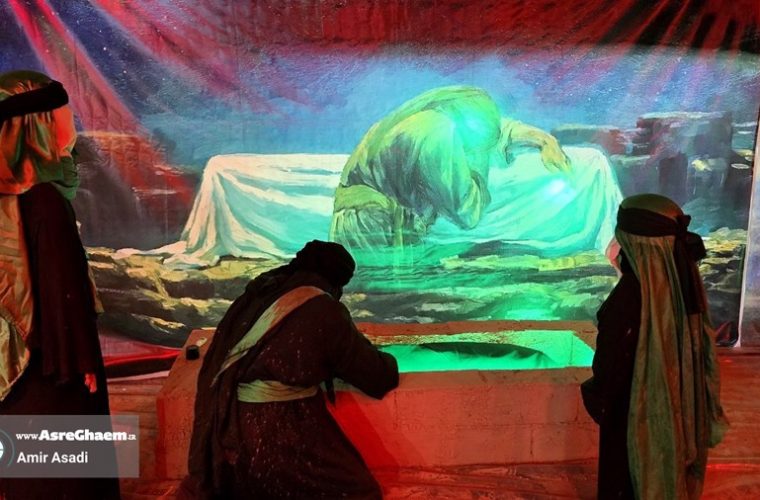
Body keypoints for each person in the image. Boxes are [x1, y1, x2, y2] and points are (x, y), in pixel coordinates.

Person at [180, 240, 399, 499]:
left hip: (231, 424)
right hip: (280, 428)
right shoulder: (323, 309)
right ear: (335, 279)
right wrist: (389, 361)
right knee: (360, 491)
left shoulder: (260, 291)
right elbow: (373, 374)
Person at [0, 71, 120, 499]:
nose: (71, 121)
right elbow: (61, 283)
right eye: (62, 113)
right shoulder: (46, 200)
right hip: (55, 367)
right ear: (37, 125)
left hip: (19, 362)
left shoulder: (12, 196)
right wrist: (81, 360)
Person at [329, 85, 622, 256]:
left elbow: (495, 128)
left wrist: (542, 139)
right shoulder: (437, 134)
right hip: (370, 230)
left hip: (376, 223)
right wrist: (480, 162)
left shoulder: (439, 115)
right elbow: (467, 211)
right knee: (376, 307)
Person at [581, 193, 728, 499]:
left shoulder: (627, 301)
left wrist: (594, 394)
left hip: (631, 429)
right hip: (676, 427)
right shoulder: (685, 286)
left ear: (633, 244)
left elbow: (608, 376)